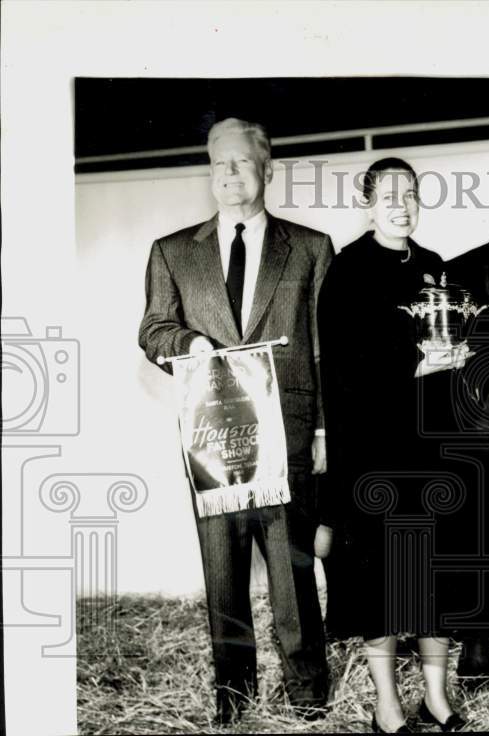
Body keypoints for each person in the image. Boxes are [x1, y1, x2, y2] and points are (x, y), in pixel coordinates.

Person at [138, 117, 332, 724]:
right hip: (212, 433)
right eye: (219, 162)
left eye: (242, 162)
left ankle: (307, 692)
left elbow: (326, 347)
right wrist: (191, 344)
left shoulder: (310, 247)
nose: (228, 173)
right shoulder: (172, 251)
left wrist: (325, 430)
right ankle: (234, 695)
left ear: (266, 170)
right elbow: (153, 329)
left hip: (291, 432)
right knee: (222, 572)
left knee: (293, 569)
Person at [316, 158, 467, 733]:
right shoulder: (347, 271)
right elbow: (344, 371)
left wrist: (459, 359)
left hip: (432, 447)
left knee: (432, 575)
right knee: (381, 584)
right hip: (374, 451)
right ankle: (387, 702)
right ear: (368, 203)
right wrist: (415, 362)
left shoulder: (432, 266)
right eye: (388, 195)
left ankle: (435, 695)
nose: (400, 204)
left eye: (409, 193)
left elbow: (448, 337)